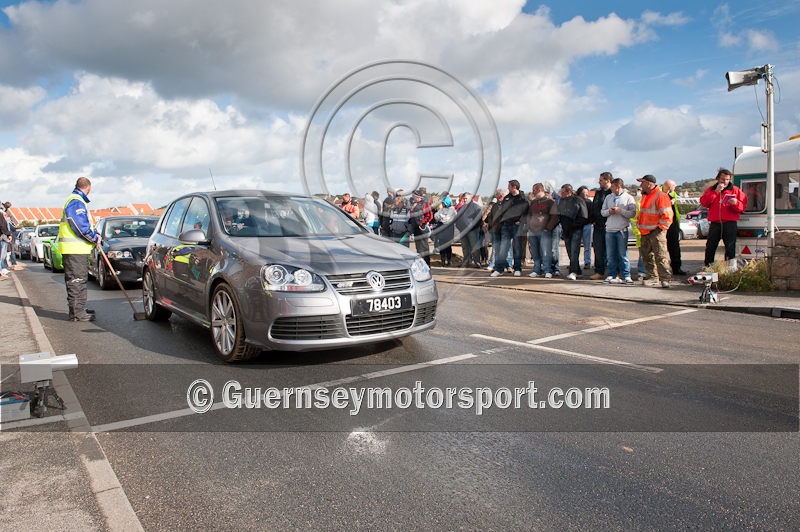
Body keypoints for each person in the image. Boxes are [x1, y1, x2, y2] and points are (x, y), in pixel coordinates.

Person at [59, 177, 101, 321]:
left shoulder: (75, 200)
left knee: (80, 280)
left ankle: (79, 308)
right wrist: (93, 238)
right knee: (76, 280)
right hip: (74, 249)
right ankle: (77, 313)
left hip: (77, 249)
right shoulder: (76, 201)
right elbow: (80, 226)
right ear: (88, 188)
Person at [700, 168, 747, 267]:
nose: (724, 182)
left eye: (727, 179)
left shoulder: (735, 190)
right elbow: (704, 203)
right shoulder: (711, 190)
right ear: (718, 179)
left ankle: (730, 269)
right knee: (710, 246)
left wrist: (736, 203)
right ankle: (708, 267)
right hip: (715, 223)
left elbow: (743, 207)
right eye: (722, 179)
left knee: (730, 247)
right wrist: (715, 192)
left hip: (730, 223)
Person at [636, 174, 673, 288]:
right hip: (645, 231)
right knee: (647, 256)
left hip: (657, 230)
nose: (641, 185)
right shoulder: (646, 196)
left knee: (660, 255)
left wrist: (661, 228)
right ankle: (653, 277)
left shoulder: (660, 196)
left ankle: (665, 279)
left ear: (649, 183)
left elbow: (667, 214)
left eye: (642, 182)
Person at [490, 179, 529, 277]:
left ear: (514, 187)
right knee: (503, 248)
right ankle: (499, 269)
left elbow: (527, 212)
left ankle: (517, 268)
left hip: (516, 226)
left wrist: (521, 221)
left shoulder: (523, 198)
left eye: (509, 186)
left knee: (517, 248)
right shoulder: (507, 198)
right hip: (506, 226)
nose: (508, 188)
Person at [601, 178, 636, 284]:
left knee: (622, 254)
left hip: (622, 230)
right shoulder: (608, 197)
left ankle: (626, 275)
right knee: (610, 255)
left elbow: (632, 213)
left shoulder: (629, 198)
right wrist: (609, 211)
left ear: (618, 186)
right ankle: (612, 274)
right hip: (609, 229)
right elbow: (602, 212)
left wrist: (621, 211)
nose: (611, 188)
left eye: (613, 186)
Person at [526, 183, 558, 278]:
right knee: (535, 252)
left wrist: (548, 228)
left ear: (539, 190)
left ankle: (547, 270)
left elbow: (554, 217)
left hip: (544, 231)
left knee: (545, 251)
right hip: (533, 230)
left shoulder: (550, 202)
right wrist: (529, 226)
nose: (533, 192)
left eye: (534, 190)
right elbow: (529, 215)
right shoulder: (533, 202)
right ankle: (536, 269)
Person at [557, 184, 589, 280]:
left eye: (563, 192)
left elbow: (584, 216)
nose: (561, 194)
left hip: (576, 229)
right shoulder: (561, 201)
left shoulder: (578, 200)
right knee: (570, 252)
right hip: (566, 230)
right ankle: (577, 270)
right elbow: (560, 215)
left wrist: (574, 225)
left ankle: (573, 271)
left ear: (568, 192)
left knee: (575, 251)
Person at [589, 172, 613, 280]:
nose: (599, 182)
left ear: (608, 180)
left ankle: (612, 272)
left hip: (609, 226)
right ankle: (599, 272)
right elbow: (594, 207)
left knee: (611, 251)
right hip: (598, 226)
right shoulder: (598, 193)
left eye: (601, 180)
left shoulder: (612, 193)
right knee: (598, 251)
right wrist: (593, 219)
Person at [662, 179, 687, 275]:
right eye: (674, 186)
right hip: (663, 225)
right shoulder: (660, 194)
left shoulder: (672, 195)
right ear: (669, 186)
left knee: (675, 248)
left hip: (673, 225)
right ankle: (663, 271)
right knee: (662, 249)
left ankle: (677, 268)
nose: (675, 188)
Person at [454, 193, 483, 268]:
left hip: (473, 231)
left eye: (466, 198)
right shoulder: (461, 208)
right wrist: (459, 226)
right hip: (463, 231)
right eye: (464, 198)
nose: (464, 200)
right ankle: (466, 262)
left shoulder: (476, 207)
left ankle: (477, 262)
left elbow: (479, 220)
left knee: (474, 247)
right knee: (465, 247)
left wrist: (472, 228)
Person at [409, 189, 434, 265]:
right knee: (418, 247)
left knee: (424, 247)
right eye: (412, 196)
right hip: (415, 227)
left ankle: (427, 264)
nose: (413, 197)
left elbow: (429, 215)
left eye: (414, 196)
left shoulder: (425, 203)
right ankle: (421, 264)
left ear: (418, 196)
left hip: (422, 228)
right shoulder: (414, 203)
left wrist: (422, 223)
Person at [434, 195, 456, 266]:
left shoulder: (452, 210)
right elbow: (436, 215)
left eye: (443, 203)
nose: (442, 204)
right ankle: (443, 261)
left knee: (448, 246)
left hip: (448, 229)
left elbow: (446, 220)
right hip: (442, 230)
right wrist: (440, 217)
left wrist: (441, 217)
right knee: (442, 246)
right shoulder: (441, 209)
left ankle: (449, 260)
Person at [576, 186, 593, 270]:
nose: (585, 195)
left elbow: (593, 214)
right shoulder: (575, 202)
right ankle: (575, 262)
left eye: (586, 193)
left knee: (587, 245)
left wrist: (591, 221)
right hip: (578, 226)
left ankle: (587, 262)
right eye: (583, 193)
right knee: (576, 246)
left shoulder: (589, 202)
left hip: (587, 226)